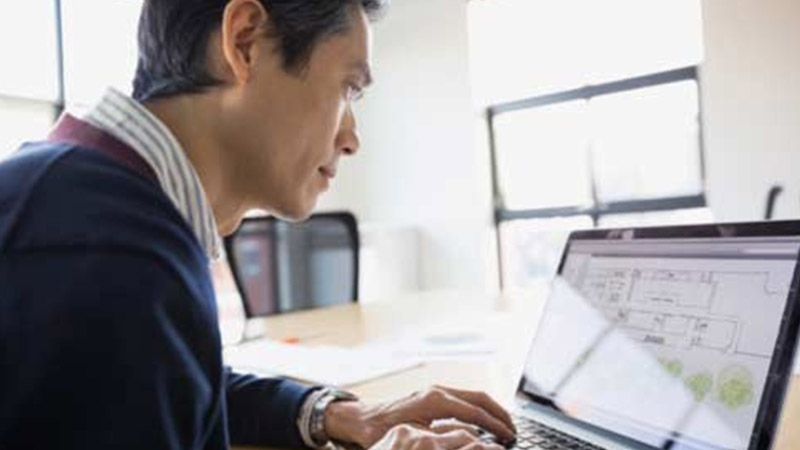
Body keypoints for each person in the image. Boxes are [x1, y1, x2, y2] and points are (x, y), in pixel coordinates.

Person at [0, 1, 518, 449]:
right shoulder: (117, 258)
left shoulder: (89, 201)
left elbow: (154, 384)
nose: (352, 138)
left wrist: (332, 413)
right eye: (349, 87)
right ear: (245, 40)